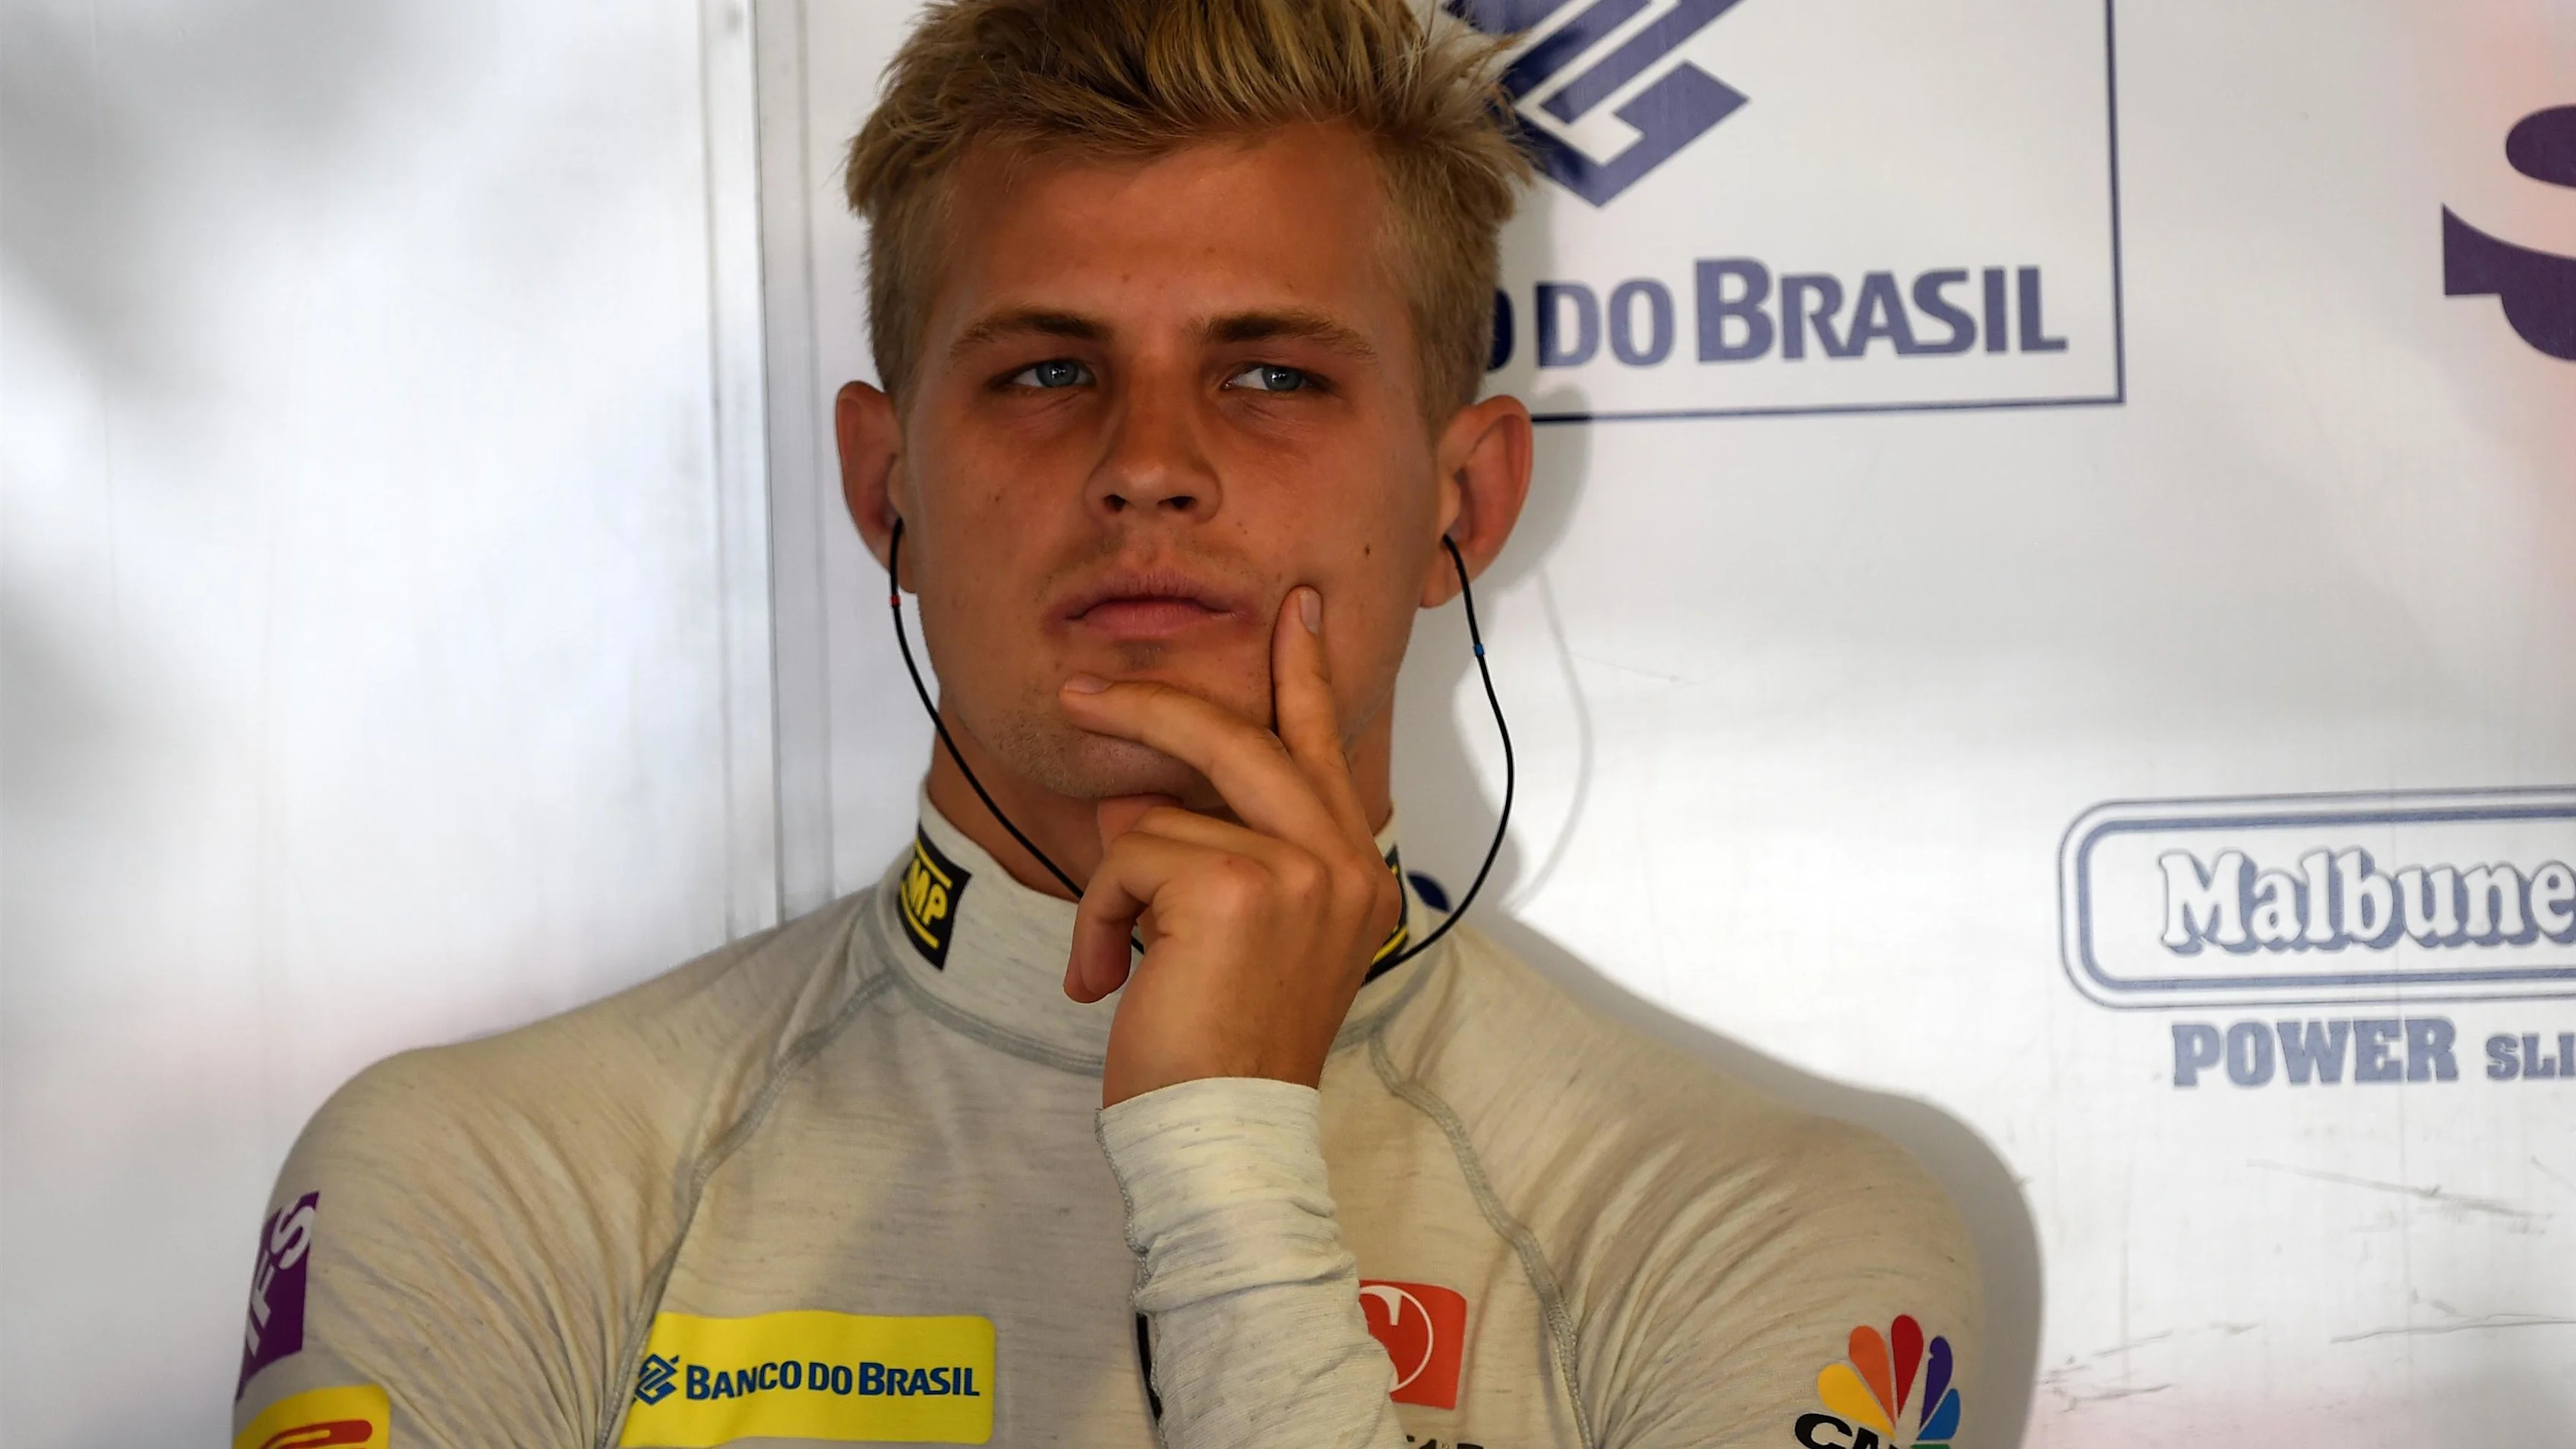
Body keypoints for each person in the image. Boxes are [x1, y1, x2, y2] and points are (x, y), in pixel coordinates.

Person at [229, 2, 1980, 1447]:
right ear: (882, 485)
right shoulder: (484, 1179)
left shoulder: (1767, 1227)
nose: (1149, 460)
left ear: (1466, 498)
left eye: (1272, 373)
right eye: (1047, 371)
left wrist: (1224, 1162)